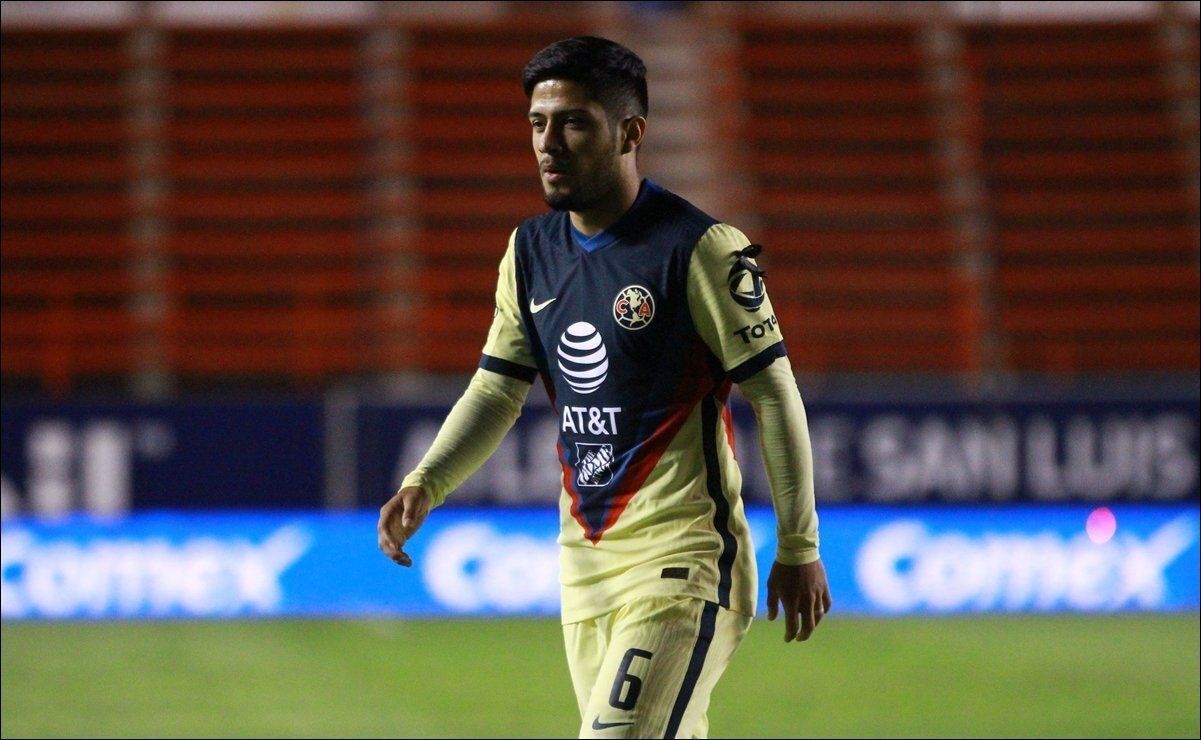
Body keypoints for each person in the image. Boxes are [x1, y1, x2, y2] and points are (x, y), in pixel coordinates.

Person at [378, 35, 831, 739]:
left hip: (683, 559)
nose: (548, 143)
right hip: (585, 568)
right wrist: (427, 480)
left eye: (573, 123)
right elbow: (497, 389)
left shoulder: (700, 248)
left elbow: (773, 393)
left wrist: (798, 545)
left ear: (630, 133)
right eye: (537, 123)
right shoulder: (529, 251)